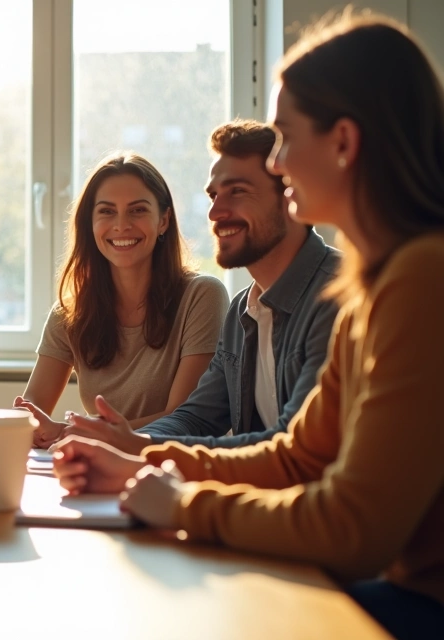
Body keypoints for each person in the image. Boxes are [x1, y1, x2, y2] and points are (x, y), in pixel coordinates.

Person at [52, 13, 444, 638]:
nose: (281, 163)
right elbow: (296, 456)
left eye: (287, 139)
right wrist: (139, 465)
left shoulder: (422, 276)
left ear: (344, 142)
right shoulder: (371, 284)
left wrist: (181, 501)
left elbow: (353, 528)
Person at [55, 119, 340, 455]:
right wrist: (128, 440)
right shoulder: (241, 313)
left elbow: (294, 446)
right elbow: (197, 418)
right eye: (213, 195)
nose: (216, 211)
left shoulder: (337, 295)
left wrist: (138, 452)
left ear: (291, 195)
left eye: (237, 192)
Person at [15, 153, 227, 447]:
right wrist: (31, 425)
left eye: (137, 210)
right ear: (90, 223)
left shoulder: (202, 296)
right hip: (99, 468)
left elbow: (184, 420)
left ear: (164, 220)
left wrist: (76, 431)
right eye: (106, 211)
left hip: (173, 469)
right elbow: (29, 414)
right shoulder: (70, 312)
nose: (121, 225)